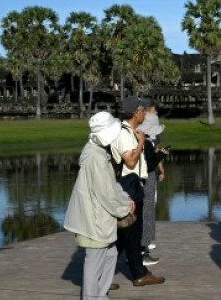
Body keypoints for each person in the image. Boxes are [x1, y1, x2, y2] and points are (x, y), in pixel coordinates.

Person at [64, 112, 135, 300]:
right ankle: (91, 297)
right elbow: (106, 193)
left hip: (99, 217)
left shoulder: (95, 151)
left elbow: (110, 185)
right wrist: (125, 207)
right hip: (94, 219)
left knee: (110, 254)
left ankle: (100, 294)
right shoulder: (96, 157)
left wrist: (124, 198)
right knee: (94, 262)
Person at [112, 96, 165, 287]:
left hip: (134, 185)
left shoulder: (129, 131)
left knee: (131, 234)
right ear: (135, 113)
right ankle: (103, 273)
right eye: (143, 110)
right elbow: (131, 162)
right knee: (124, 235)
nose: (146, 113)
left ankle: (138, 272)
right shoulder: (125, 133)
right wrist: (141, 142)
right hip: (127, 187)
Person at [138, 102, 167, 265]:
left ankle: (143, 247)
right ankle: (143, 250)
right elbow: (149, 165)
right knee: (146, 211)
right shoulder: (146, 144)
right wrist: (161, 157)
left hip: (143, 179)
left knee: (145, 212)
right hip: (145, 179)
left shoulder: (143, 143)